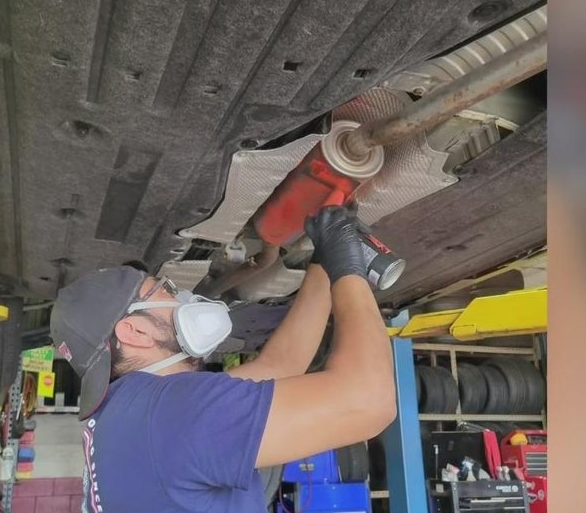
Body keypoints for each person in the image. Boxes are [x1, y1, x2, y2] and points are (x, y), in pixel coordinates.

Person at [50, 206, 396, 512]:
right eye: (164, 291)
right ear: (136, 333)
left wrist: (327, 261)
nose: (180, 297)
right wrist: (350, 271)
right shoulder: (170, 413)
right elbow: (369, 401)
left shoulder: (135, 414)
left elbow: (279, 366)